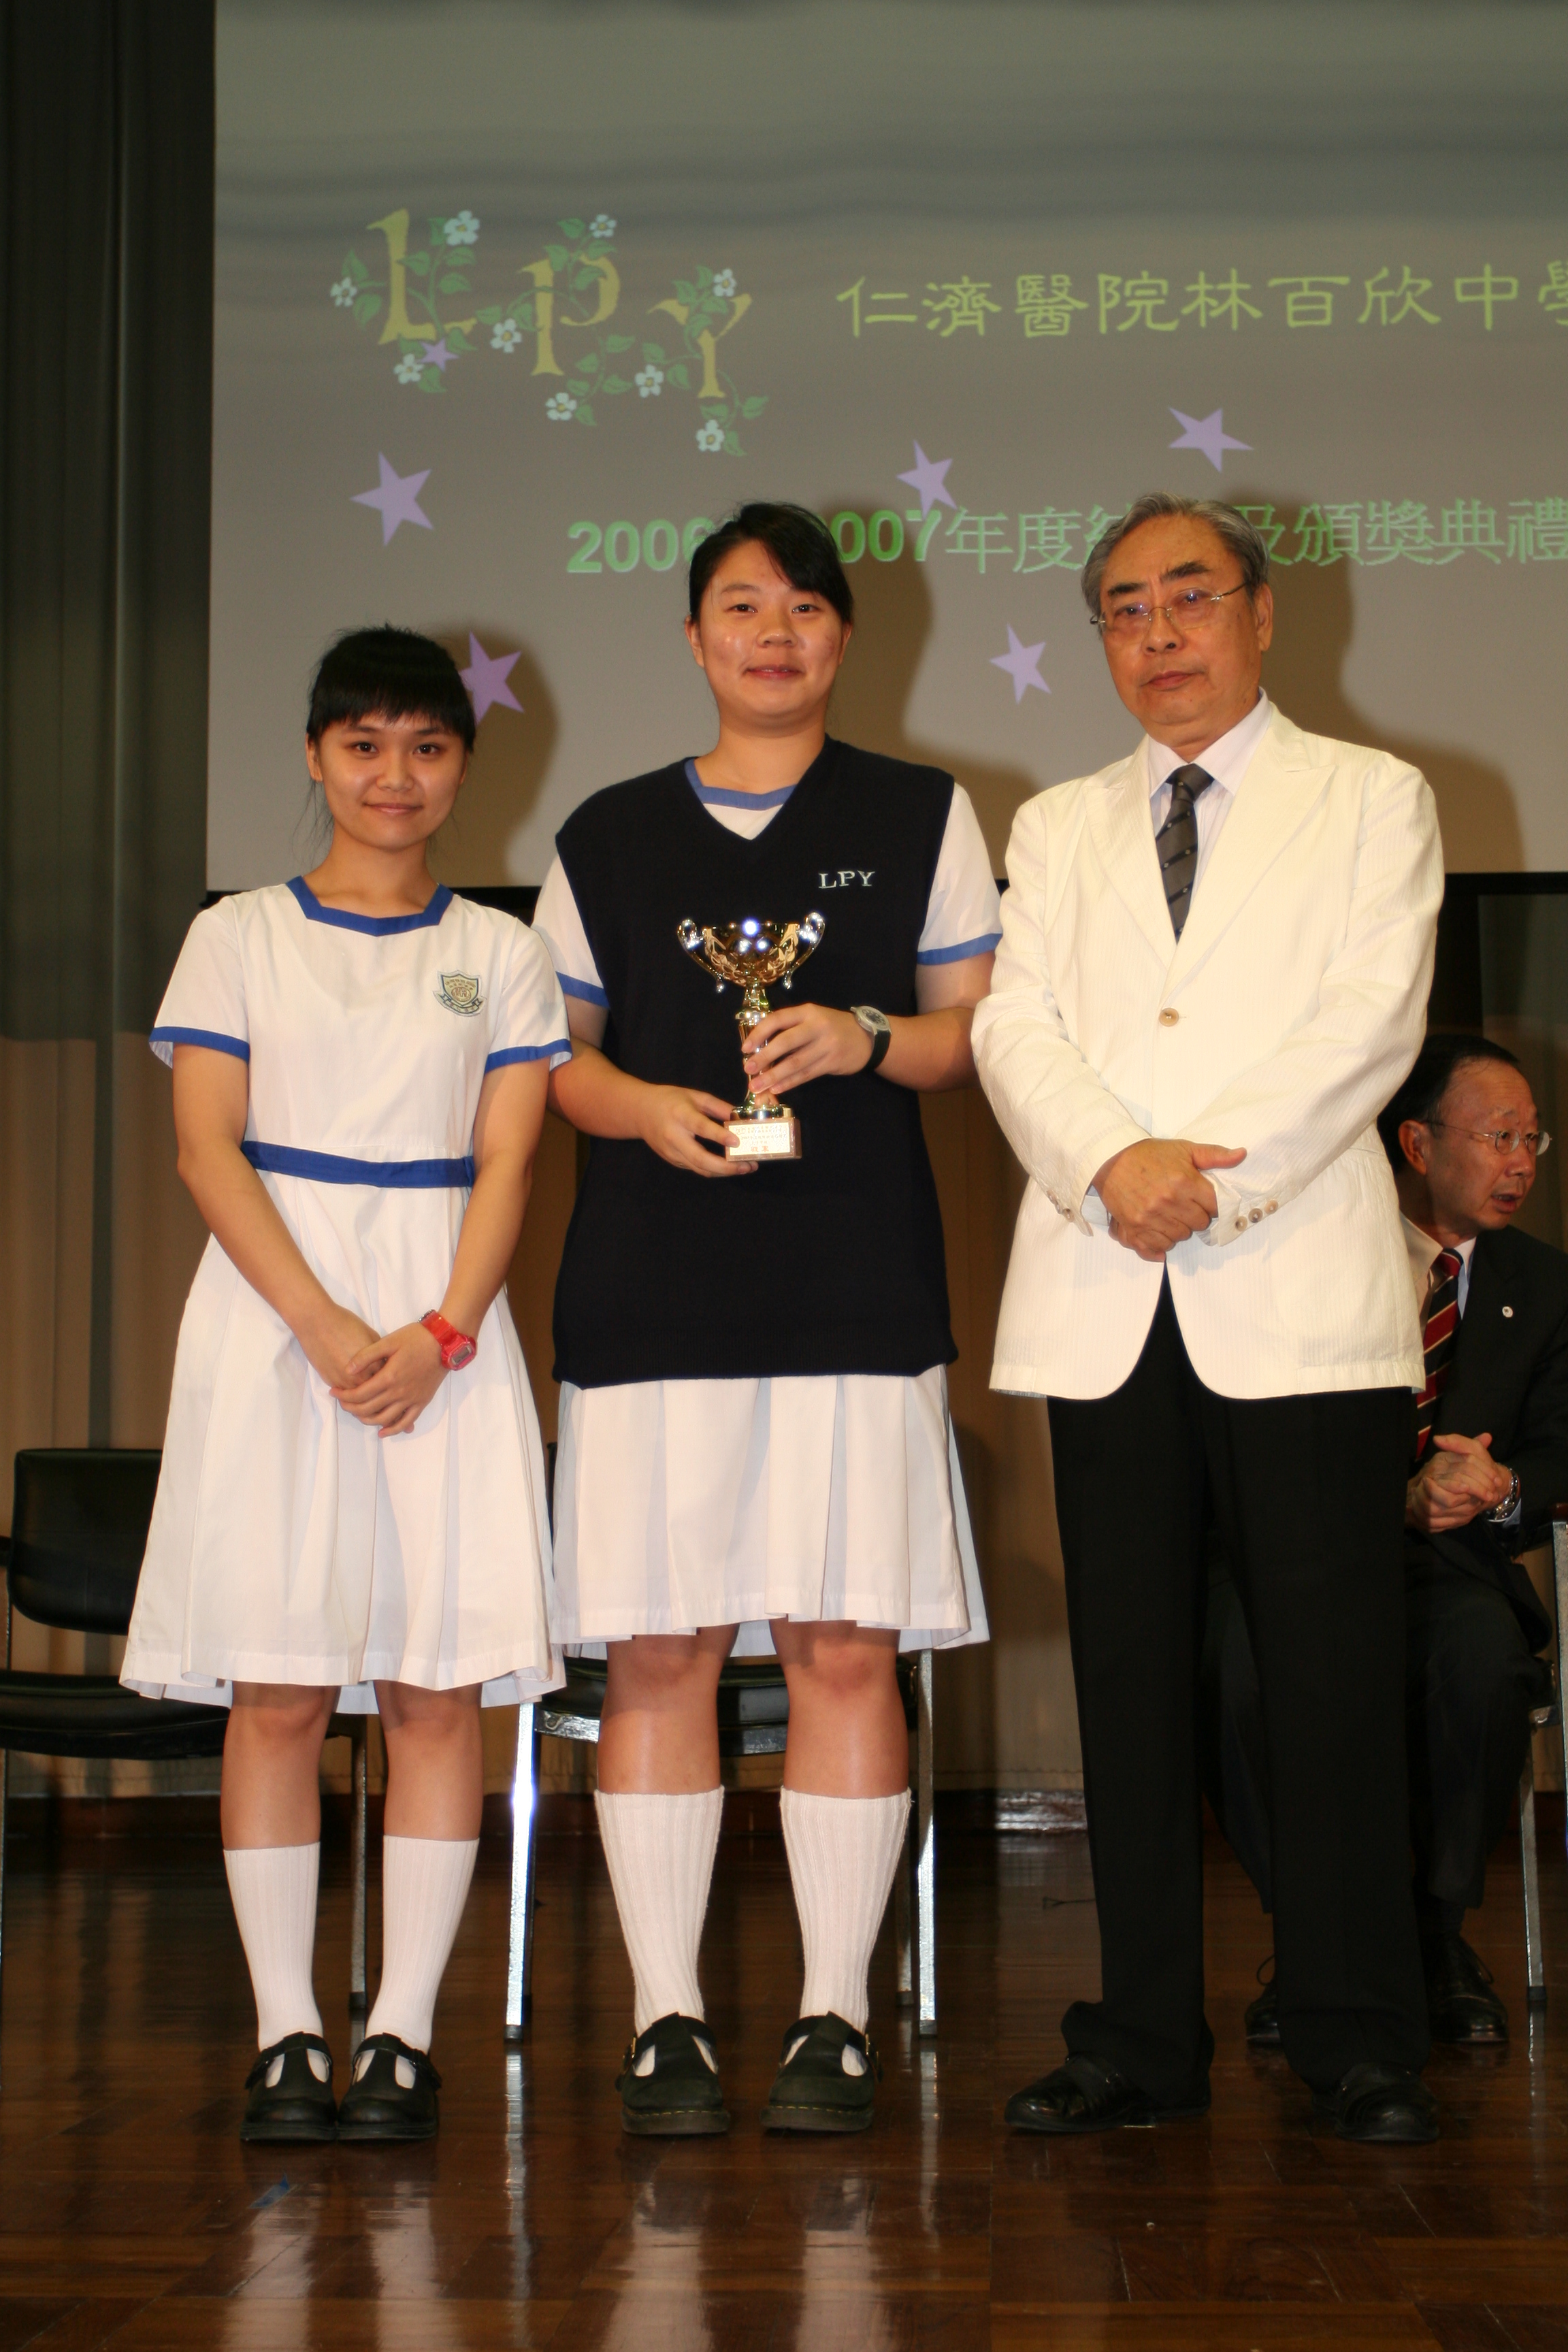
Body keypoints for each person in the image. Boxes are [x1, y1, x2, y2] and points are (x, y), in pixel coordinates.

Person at [973, 491, 1445, 2145]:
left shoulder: (1373, 797)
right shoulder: (1057, 824)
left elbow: (1371, 1020)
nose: (1158, 632)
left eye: (1189, 595)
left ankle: (1355, 2027)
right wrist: (1111, 1164)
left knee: (1330, 1677)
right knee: (1128, 1685)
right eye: (1124, 607)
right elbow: (1014, 1027)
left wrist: (1202, 1179)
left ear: (1261, 611)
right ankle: (1139, 2038)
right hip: (1108, 1286)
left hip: (1292, 1280)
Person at [532, 501, 996, 2136]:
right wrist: (640, 1107)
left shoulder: (922, 812)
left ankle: (831, 2018)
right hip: (651, 1286)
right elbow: (552, 1057)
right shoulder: (607, 832)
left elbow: (972, 1037)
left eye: (804, 605)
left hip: (855, 1281)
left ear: (845, 636)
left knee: (843, 1645)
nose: (774, 632)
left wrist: (865, 1036)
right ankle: (666, 2015)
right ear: (693, 638)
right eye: (741, 605)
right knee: (659, 1648)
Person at [121, 626, 568, 2144]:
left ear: (463, 767)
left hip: (446, 1334)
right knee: (279, 1687)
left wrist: (442, 1332)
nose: (396, 775)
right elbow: (206, 1148)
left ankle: (401, 2037)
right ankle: (285, 2034)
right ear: (315, 757)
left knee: (438, 1687)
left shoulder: (501, 952)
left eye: (427, 747)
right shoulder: (237, 935)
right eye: (365, 745)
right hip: (272, 1325)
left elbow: (509, 1162)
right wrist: (318, 1323)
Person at [1205, 1032, 1568, 2049]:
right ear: (1416, 1143)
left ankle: (1435, 1936)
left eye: (1532, 1139)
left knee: (1483, 1661)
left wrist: (1500, 1488)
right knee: (1235, 1663)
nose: (1521, 1163)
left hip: (1455, 1569)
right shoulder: (1311, 1262)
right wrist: (1381, 1495)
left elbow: (1562, 1449)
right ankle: (1312, 1941)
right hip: (1307, 1558)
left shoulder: (1545, 1286)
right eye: (1498, 1137)